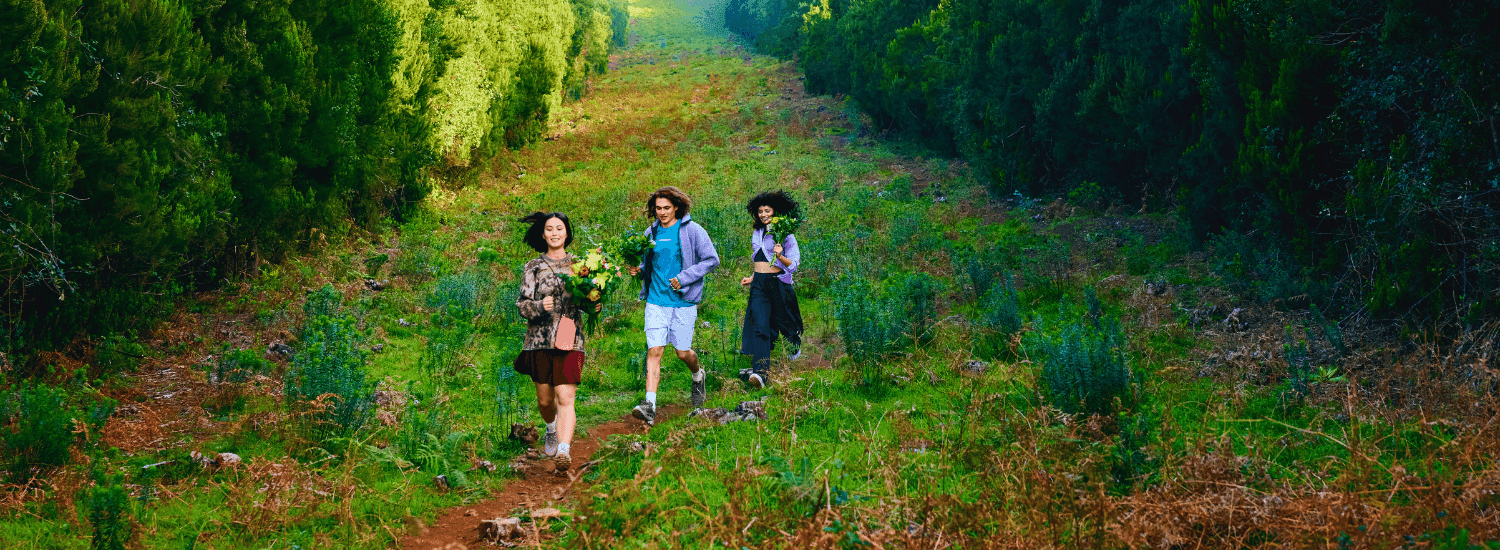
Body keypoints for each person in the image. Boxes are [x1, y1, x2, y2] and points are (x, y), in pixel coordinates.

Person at [625, 186, 720, 424]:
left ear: (677, 207)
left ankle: (698, 374)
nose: (662, 212)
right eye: (658, 208)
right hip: (656, 301)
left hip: (683, 302)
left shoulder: (692, 230)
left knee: (682, 353)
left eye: (667, 208)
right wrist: (638, 270)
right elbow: (649, 265)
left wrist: (684, 278)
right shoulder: (650, 233)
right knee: (654, 351)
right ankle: (650, 405)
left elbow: (711, 260)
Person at [513, 211, 599, 472]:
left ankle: (563, 450)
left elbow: (589, 298)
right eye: (549, 229)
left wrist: (594, 305)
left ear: (567, 233)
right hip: (538, 340)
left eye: (559, 228)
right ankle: (551, 428)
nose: (554, 233)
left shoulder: (581, 265)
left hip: (570, 338)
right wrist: (540, 306)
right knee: (545, 401)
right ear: (543, 234)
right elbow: (522, 305)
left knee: (565, 396)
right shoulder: (533, 266)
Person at [738, 190, 804, 388]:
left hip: (778, 283)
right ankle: (760, 373)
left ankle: (793, 346)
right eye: (760, 211)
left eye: (767, 211)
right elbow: (759, 259)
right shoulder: (757, 233)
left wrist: (781, 255)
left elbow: (794, 265)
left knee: (785, 323)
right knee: (760, 326)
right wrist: (752, 277)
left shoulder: (786, 234)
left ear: (776, 212)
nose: (763, 215)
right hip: (759, 285)